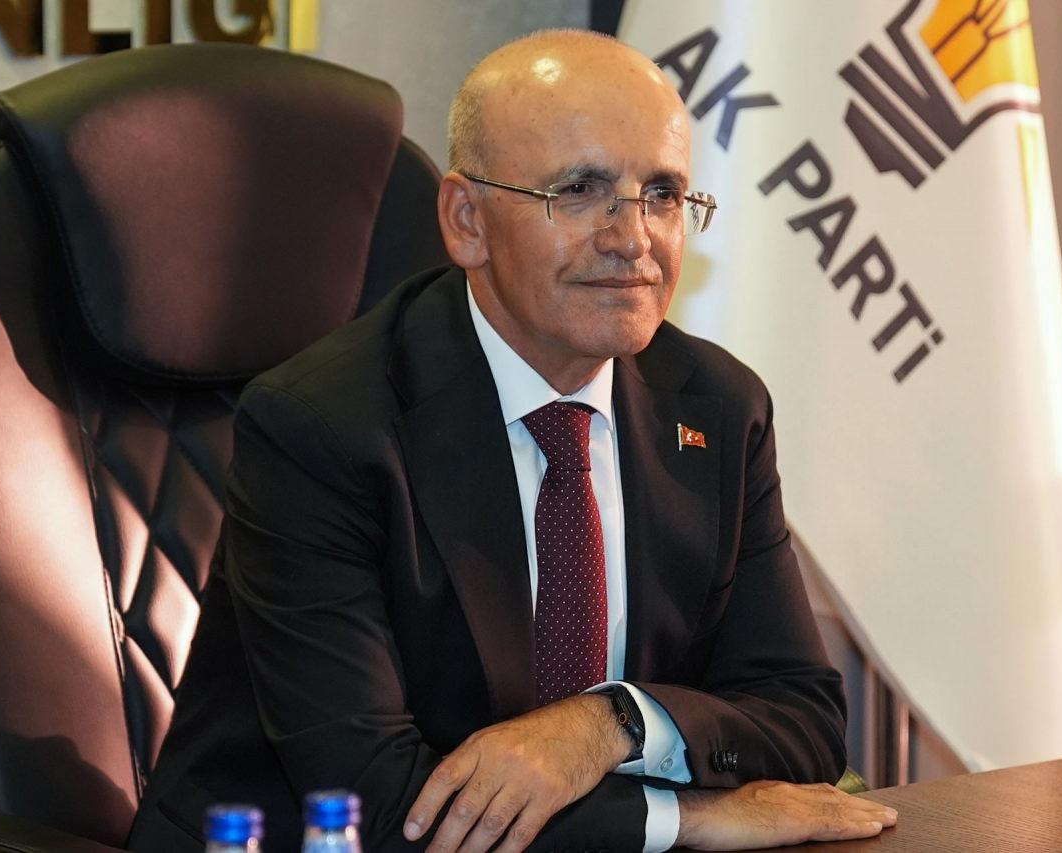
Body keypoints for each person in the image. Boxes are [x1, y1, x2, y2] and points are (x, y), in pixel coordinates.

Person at [129, 29, 897, 853]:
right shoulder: (322, 427)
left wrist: (609, 723)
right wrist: (689, 819)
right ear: (467, 221)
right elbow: (378, 803)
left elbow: (802, 715)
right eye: (580, 190)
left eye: (663, 193)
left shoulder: (718, 407)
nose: (633, 238)